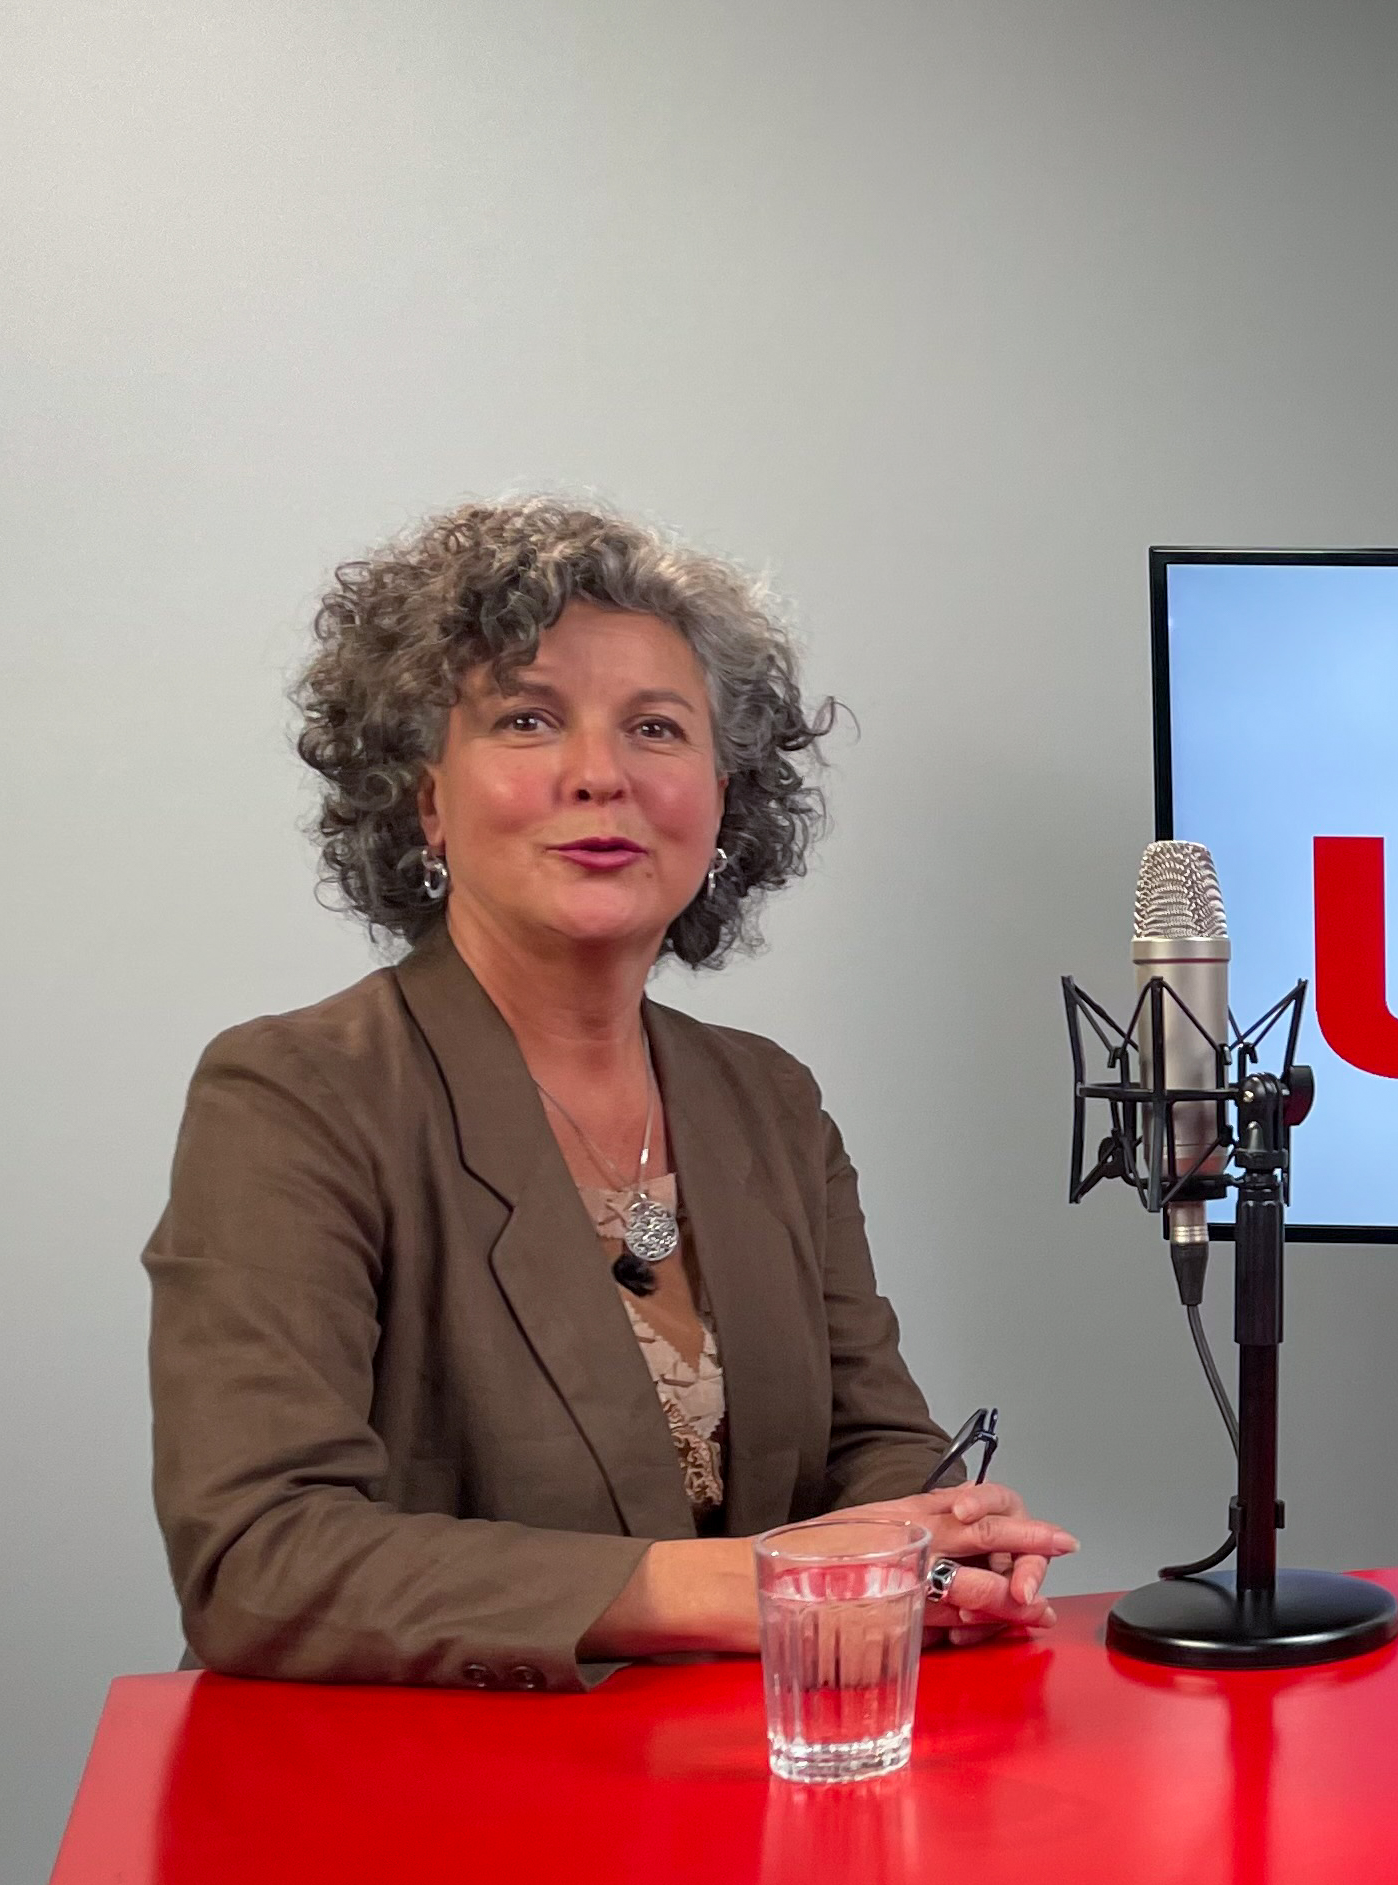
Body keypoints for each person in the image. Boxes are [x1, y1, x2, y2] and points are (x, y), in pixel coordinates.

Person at [147, 499, 1076, 1688]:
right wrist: (749, 1583)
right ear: (425, 798)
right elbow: (257, 1559)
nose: (600, 775)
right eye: (528, 720)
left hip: (744, 1794)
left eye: (656, 727)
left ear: (724, 799)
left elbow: (875, 1442)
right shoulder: (295, 1094)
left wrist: (941, 1552)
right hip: (421, 1816)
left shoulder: (767, 1099)